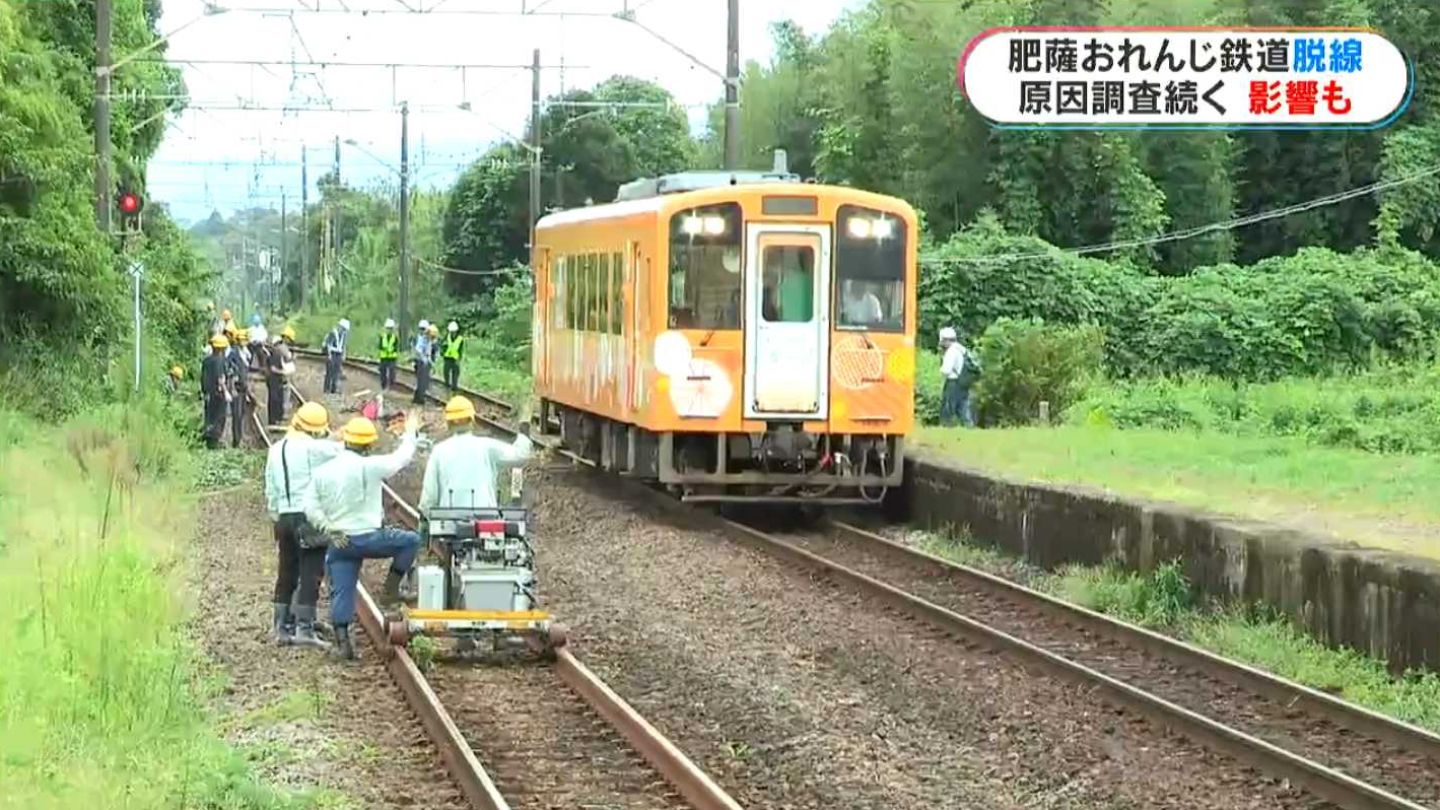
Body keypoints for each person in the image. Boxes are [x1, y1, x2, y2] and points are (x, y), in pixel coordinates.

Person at [304, 413, 422, 661]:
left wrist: (328, 528)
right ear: (368, 445)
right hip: (370, 538)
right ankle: (391, 589)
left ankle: (343, 644)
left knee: (342, 590)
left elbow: (310, 506)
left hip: (341, 542)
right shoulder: (370, 466)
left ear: (346, 441)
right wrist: (410, 433)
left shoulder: (323, 472)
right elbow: (400, 459)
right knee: (411, 540)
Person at [265, 402, 344, 649]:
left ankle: (281, 626)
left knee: (287, 570)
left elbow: (270, 488)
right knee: (312, 572)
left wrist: (275, 515)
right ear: (315, 430)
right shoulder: (313, 448)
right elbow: (342, 450)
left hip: (284, 516)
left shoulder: (276, 449)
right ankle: (304, 628)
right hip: (307, 516)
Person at [420, 396, 533, 518]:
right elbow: (521, 455)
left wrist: (430, 520)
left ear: (448, 423)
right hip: (486, 520)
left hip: (449, 523)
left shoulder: (439, 451)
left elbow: (429, 498)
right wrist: (524, 425)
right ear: (472, 420)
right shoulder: (486, 447)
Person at [938, 326, 976, 427]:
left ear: (945, 340)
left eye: (942, 340)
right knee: (963, 407)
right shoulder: (961, 349)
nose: (941, 343)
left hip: (953, 383)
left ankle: (946, 427)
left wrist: (940, 370)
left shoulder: (951, 351)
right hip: (963, 382)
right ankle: (969, 426)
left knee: (948, 408)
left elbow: (946, 370)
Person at [201, 334, 230, 449]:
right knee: (219, 417)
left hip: (208, 394)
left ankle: (208, 441)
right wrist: (226, 392)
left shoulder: (206, 360)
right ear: (222, 348)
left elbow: (203, 377)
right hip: (218, 395)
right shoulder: (220, 361)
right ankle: (214, 443)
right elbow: (220, 379)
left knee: (209, 417)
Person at [225, 331, 250, 447]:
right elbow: (229, 371)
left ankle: (240, 437)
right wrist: (231, 388)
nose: (244, 342)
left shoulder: (245, 353)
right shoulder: (233, 354)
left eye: (245, 340)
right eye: (242, 340)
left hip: (243, 387)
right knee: (236, 414)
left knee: (242, 413)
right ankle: (236, 440)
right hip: (236, 387)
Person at [265, 332, 294, 426]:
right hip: (273, 380)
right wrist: (283, 372)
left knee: (278, 399)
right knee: (274, 399)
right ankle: (273, 420)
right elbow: (273, 369)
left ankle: (277, 418)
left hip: (276, 380)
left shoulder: (276, 353)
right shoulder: (274, 354)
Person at [322, 318, 350, 394]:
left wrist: (344, 354)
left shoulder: (344, 334)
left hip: (339, 354)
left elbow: (344, 345)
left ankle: (334, 389)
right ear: (340, 326)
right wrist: (329, 355)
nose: (344, 330)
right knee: (329, 372)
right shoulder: (333, 332)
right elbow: (328, 345)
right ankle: (327, 389)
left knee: (336, 372)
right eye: (343, 328)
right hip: (332, 353)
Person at [412, 324, 433, 405]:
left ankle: (419, 397)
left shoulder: (429, 340)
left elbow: (429, 352)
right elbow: (418, 350)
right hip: (420, 362)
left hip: (425, 363)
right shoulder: (421, 339)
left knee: (424, 381)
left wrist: (430, 361)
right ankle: (419, 398)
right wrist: (424, 359)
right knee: (421, 381)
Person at [441, 321, 464, 391]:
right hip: (447, 357)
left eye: (454, 332)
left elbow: (460, 349)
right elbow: (443, 345)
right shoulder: (446, 337)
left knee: (455, 373)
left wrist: (459, 358)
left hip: (455, 358)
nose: (452, 333)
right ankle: (447, 384)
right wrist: (442, 352)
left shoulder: (460, 339)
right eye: (451, 332)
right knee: (446, 372)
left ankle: (454, 386)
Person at [377, 318, 399, 390]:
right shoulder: (382, 337)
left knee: (392, 373)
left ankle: (391, 385)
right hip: (383, 357)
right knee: (382, 373)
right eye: (388, 328)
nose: (389, 330)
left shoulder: (395, 338)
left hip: (392, 358)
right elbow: (380, 346)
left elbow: (396, 347)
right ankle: (384, 386)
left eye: (391, 328)